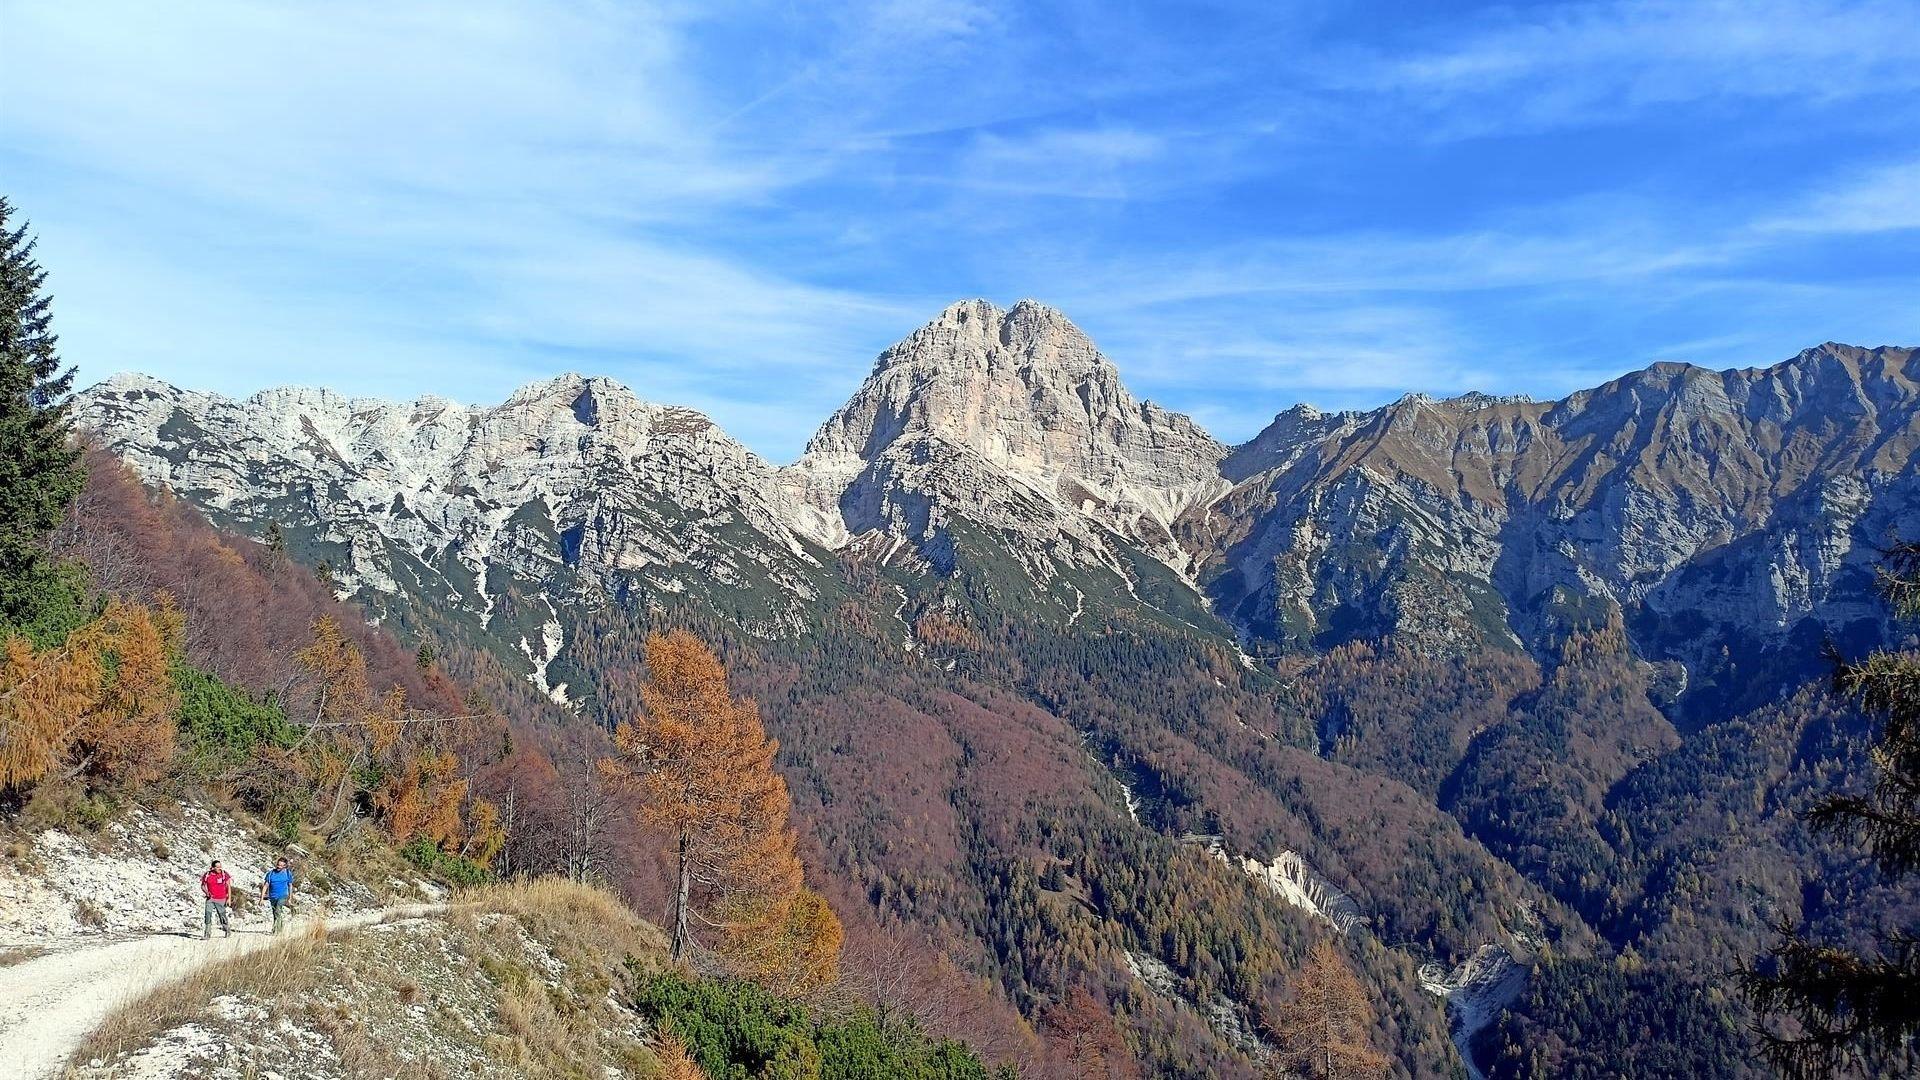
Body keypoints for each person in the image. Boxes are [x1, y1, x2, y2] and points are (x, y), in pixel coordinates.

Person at [201, 859, 233, 939]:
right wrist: (206, 892)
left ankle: (227, 930)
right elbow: (202, 885)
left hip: (221, 898)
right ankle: (207, 934)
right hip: (210, 899)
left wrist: (229, 898)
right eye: (217, 867)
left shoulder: (224, 874)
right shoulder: (207, 875)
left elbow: (228, 886)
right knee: (207, 915)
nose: (220, 868)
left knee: (221, 915)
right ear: (212, 868)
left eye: (220, 866)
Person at [261, 857, 294, 933]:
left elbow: (290, 885)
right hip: (272, 897)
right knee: (275, 913)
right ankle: (278, 928)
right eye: (278, 865)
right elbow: (265, 886)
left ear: (285, 866)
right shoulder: (270, 874)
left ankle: (277, 931)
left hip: (283, 896)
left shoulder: (288, 873)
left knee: (277, 911)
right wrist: (261, 898)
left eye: (281, 866)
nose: (278, 867)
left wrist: (290, 898)